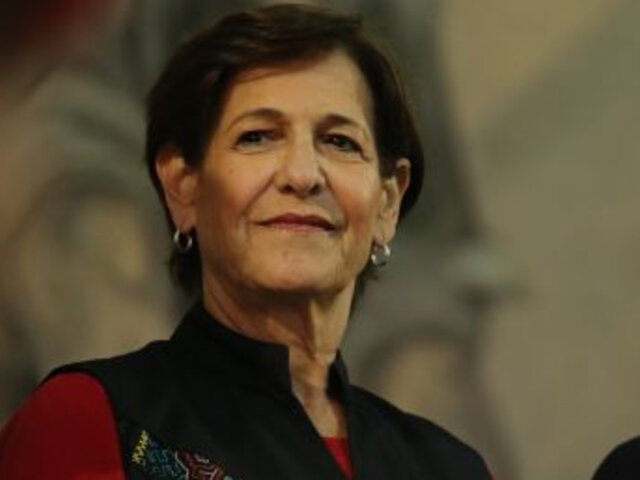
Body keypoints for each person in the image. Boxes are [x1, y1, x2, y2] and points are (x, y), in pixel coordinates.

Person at [0, 4, 493, 479]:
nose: (303, 174)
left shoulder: (450, 466)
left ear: (388, 204)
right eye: (257, 137)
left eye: (339, 142)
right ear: (182, 187)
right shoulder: (97, 422)